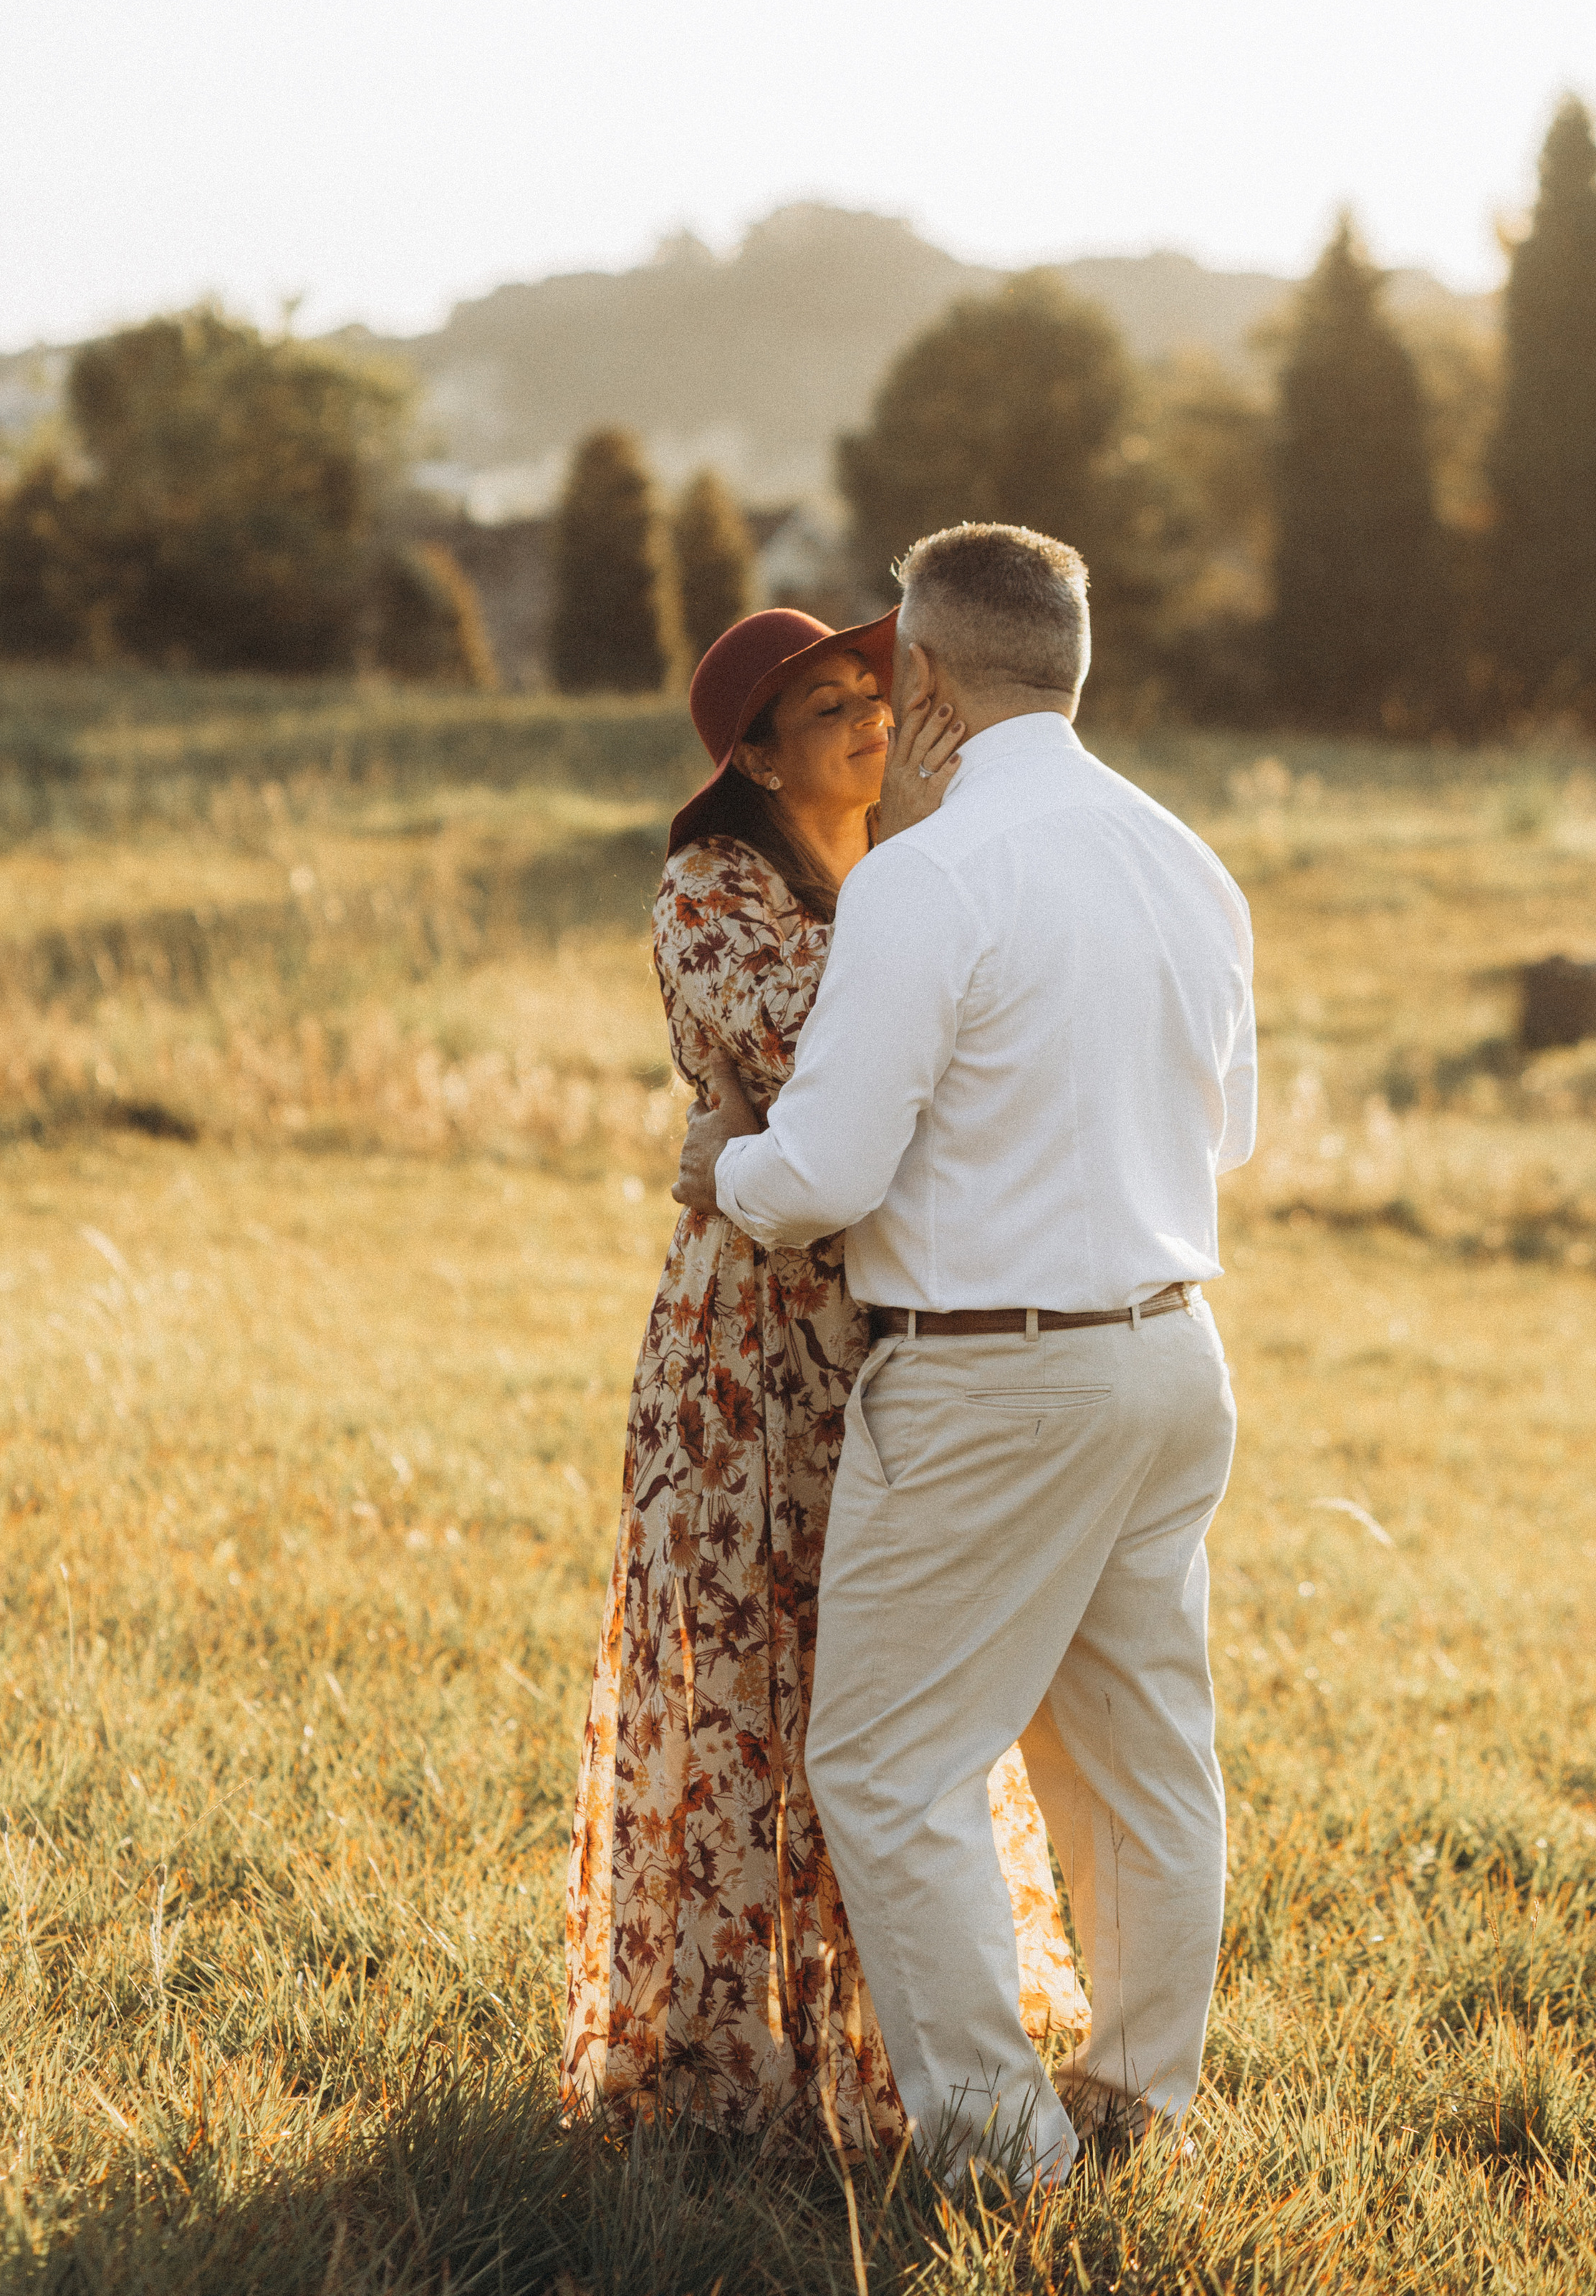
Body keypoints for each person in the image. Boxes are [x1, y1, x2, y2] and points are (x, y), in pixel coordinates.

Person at [674, 524, 1256, 2184]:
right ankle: (1137, 2090)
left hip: (993, 1379)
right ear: (1071, 668)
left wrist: (727, 1163)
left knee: (881, 1760)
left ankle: (1003, 2153)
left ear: (923, 675)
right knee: (1139, 1754)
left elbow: (826, 1176)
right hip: (1169, 1358)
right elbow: (1232, 1132)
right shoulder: (1183, 858)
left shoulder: (929, 878)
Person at [563, 604, 1092, 2148]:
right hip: (747, 1349)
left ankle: (882, 2043)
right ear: (752, 752)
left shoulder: (907, 871)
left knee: (883, 1684)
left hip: (874, 1323)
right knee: (747, 1679)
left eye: (875, 691)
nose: (871, 719)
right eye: (824, 707)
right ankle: (735, 2067)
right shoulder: (712, 887)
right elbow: (831, 1053)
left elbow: (933, 1074)